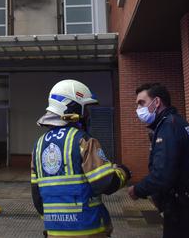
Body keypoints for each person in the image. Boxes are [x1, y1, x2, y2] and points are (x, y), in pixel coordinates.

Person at [31, 79, 131, 237]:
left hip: (54, 231)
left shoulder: (38, 145)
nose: (88, 115)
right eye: (86, 109)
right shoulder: (84, 140)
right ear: (73, 107)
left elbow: (36, 195)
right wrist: (123, 172)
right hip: (89, 229)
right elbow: (105, 184)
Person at [127, 83, 189, 238]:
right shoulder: (175, 122)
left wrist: (138, 189)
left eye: (141, 103)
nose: (138, 109)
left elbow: (163, 174)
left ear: (156, 102)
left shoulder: (168, 128)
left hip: (184, 209)